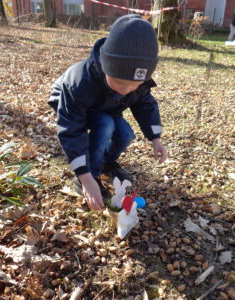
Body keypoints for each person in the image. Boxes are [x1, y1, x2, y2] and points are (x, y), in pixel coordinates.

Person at [48, 14, 167, 212]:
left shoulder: (133, 86)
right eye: (119, 82)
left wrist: (155, 138)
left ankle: (106, 162)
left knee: (126, 134)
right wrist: (85, 178)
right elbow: (71, 130)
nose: (126, 90)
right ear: (105, 66)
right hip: (75, 105)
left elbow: (145, 104)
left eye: (134, 85)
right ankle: (92, 173)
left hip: (107, 104)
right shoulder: (79, 82)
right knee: (105, 125)